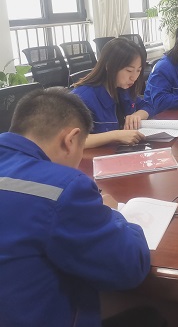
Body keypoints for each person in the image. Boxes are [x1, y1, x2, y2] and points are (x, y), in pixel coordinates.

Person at [0, 88, 151, 327]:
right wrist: (113, 213)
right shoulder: (62, 188)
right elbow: (131, 266)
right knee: (151, 317)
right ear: (70, 140)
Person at [72, 38, 155, 148]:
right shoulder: (82, 97)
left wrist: (137, 115)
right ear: (109, 66)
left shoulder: (122, 89)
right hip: (96, 157)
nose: (134, 77)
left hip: (120, 152)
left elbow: (149, 106)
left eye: (138, 70)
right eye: (129, 70)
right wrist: (116, 135)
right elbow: (74, 140)